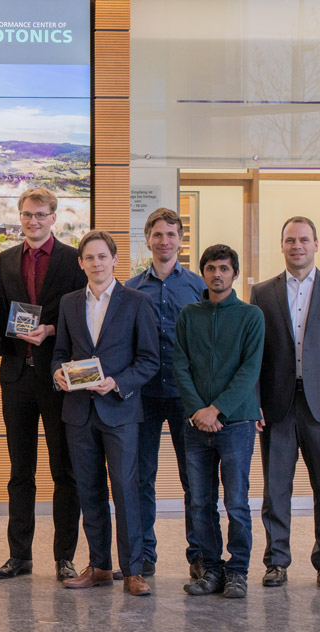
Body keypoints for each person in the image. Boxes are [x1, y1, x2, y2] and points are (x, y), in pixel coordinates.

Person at [0, 187, 87, 581]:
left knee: (64, 472)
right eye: (26, 215)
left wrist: (52, 329)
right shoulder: (5, 259)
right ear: (19, 217)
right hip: (16, 377)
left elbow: (83, 316)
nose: (33, 221)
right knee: (20, 471)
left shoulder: (74, 260)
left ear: (54, 218)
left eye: (40, 215)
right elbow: (3, 314)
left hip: (58, 378)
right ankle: (19, 556)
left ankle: (64, 557)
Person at [251, 217, 320, 590]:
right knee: (275, 490)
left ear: (316, 244)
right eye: (290, 240)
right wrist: (255, 404)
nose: (297, 246)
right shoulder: (262, 293)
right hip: (276, 405)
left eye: (303, 240)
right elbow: (254, 357)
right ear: (281, 246)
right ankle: (276, 562)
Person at [51, 230, 159, 597]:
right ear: (80, 263)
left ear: (114, 260)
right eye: (89, 258)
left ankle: (133, 571)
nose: (96, 263)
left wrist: (115, 383)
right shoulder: (68, 303)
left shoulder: (137, 302)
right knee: (89, 490)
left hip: (120, 411)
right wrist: (57, 374)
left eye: (102, 257)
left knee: (127, 490)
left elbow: (149, 361)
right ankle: (99, 565)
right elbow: (59, 352)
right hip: (79, 413)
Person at [174, 244, 264, 599]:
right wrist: (199, 410)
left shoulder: (251, 315)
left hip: (237, 424)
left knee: (237, 502)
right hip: (195, 425)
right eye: (210, 268)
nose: (217, 274)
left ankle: (237, 570)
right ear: (203, 273)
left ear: (235, 273)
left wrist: (218, 410)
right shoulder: (188, 315)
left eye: (224, 268)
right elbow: (179, 365)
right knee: (200, 500)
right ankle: (210, 569)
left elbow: (249, 370)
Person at [125, 207, 206, 580]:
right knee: (142, 477)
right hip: (141, 397)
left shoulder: (197, 286)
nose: (165, 241)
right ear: (148, 240)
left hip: (185, 397)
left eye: (171, 234)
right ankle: (143, 555)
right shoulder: (129, 289)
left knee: (194, 478)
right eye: (158, 235)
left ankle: (200, 555)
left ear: (180, 239)